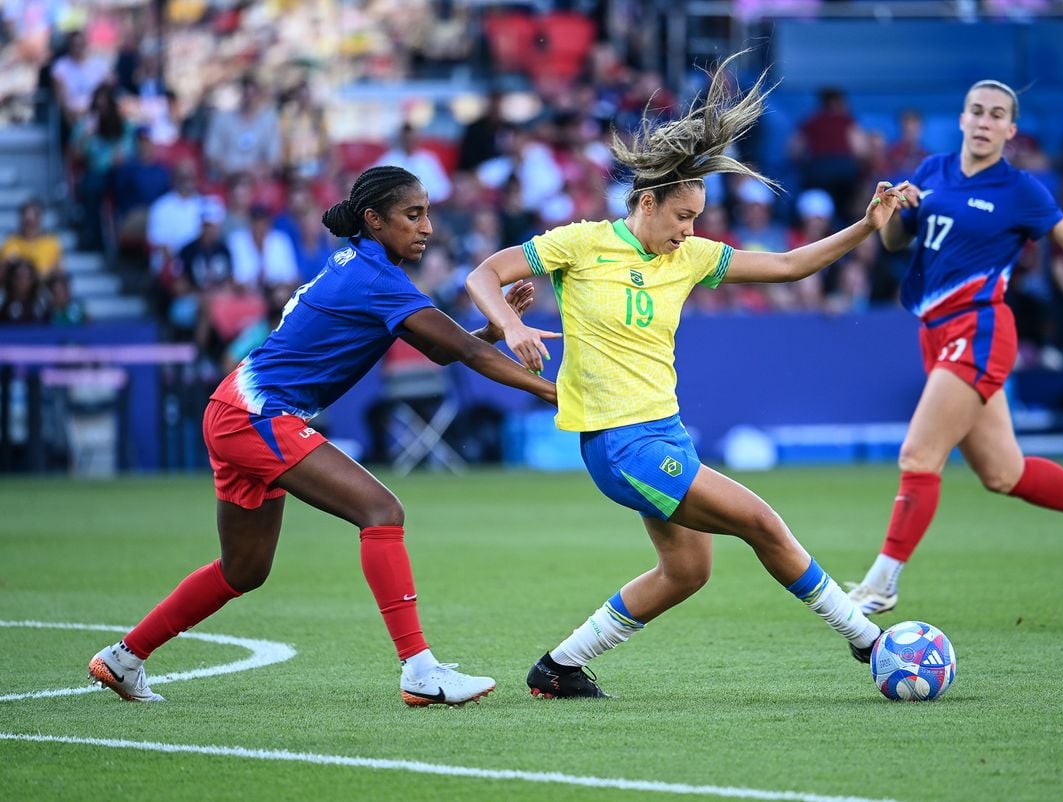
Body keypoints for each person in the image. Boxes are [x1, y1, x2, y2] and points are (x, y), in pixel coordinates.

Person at [465, 54, 908, 699]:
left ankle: (557, 668)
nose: (689, 230)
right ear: (647, 202)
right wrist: (510, 324)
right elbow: (483, 275)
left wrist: (865, 227)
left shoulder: (690, 256)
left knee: (686, 570)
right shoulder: (582, 244)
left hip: (666, 434)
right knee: (761, 522)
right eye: (681, 217)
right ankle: (867, 642)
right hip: (620, 442)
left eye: (696, 218)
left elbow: (787, 267)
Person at [88, 166, 560, 706]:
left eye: (427, 212)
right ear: (373, 219)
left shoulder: (362, 266)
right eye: (413, 215)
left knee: (244, 570)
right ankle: (420, 670)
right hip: (257, 416)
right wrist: (553, 393)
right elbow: (465, 353)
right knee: (382, 512)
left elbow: (442, 347)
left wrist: (492, 332)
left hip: (235, 410)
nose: (427, 226)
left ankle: (125, 658)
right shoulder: (377, 279)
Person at [845, 81, 1063, 616]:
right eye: (977, 112)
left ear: (1010, 130)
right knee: (1003, 473)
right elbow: (897, 241)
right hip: (935, 332)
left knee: (919, 454)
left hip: (981, 329)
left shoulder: (1021, 191)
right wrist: (888, 212)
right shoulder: (933, 171)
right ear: (962, 120)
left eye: (997, 115)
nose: (985, 122)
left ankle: (881, 583)